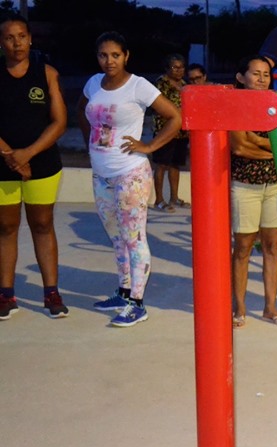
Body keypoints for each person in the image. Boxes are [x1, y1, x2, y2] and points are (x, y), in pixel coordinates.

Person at [78, 31, 181, 327]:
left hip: (130, 174)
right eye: (103, 55)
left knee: (134, 238)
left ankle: (137, 303)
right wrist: (91, 143)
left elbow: (174, 117)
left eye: (115, 55)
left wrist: (148, 146)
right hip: (101, 174)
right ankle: (123, 292)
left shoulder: (138, 86)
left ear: (126, 56)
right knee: (116, 237)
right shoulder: (93, 83)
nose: (109, 61)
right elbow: (81, 112)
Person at [0, 13, 68, 320]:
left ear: (30, 38)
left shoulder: (47, 73)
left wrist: (27, 154)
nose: (16, 43)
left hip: (42, 163)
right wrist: (11, 156)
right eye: (9, 38)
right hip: (2, 164)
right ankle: (6, 294)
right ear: (1, 43)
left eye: (21, 36)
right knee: (6, 227)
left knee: (42, 225)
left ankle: (51, 292)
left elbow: (59, 122)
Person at [229, 55, 277, 328]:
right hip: (245, 186)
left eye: (266, 73)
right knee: (242, 247)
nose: (262, 78)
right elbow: (240, 148)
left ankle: (270, 306)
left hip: (273, 186)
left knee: (272, 248)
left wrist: (256, 141)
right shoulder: (234, 106)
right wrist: (273, 152)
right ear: (241, 77)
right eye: (256, 73)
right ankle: (239, 306)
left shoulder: (275, 106)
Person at [151, 53, 189, 213]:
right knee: (161, 164)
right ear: (167, 68)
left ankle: (175, 197)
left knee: (175, 165)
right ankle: (159, 199)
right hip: (164, 131)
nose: (178, 71)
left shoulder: (185, 84)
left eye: (181, 67)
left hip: (181, 132)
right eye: (175, 67)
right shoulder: (161, 84)